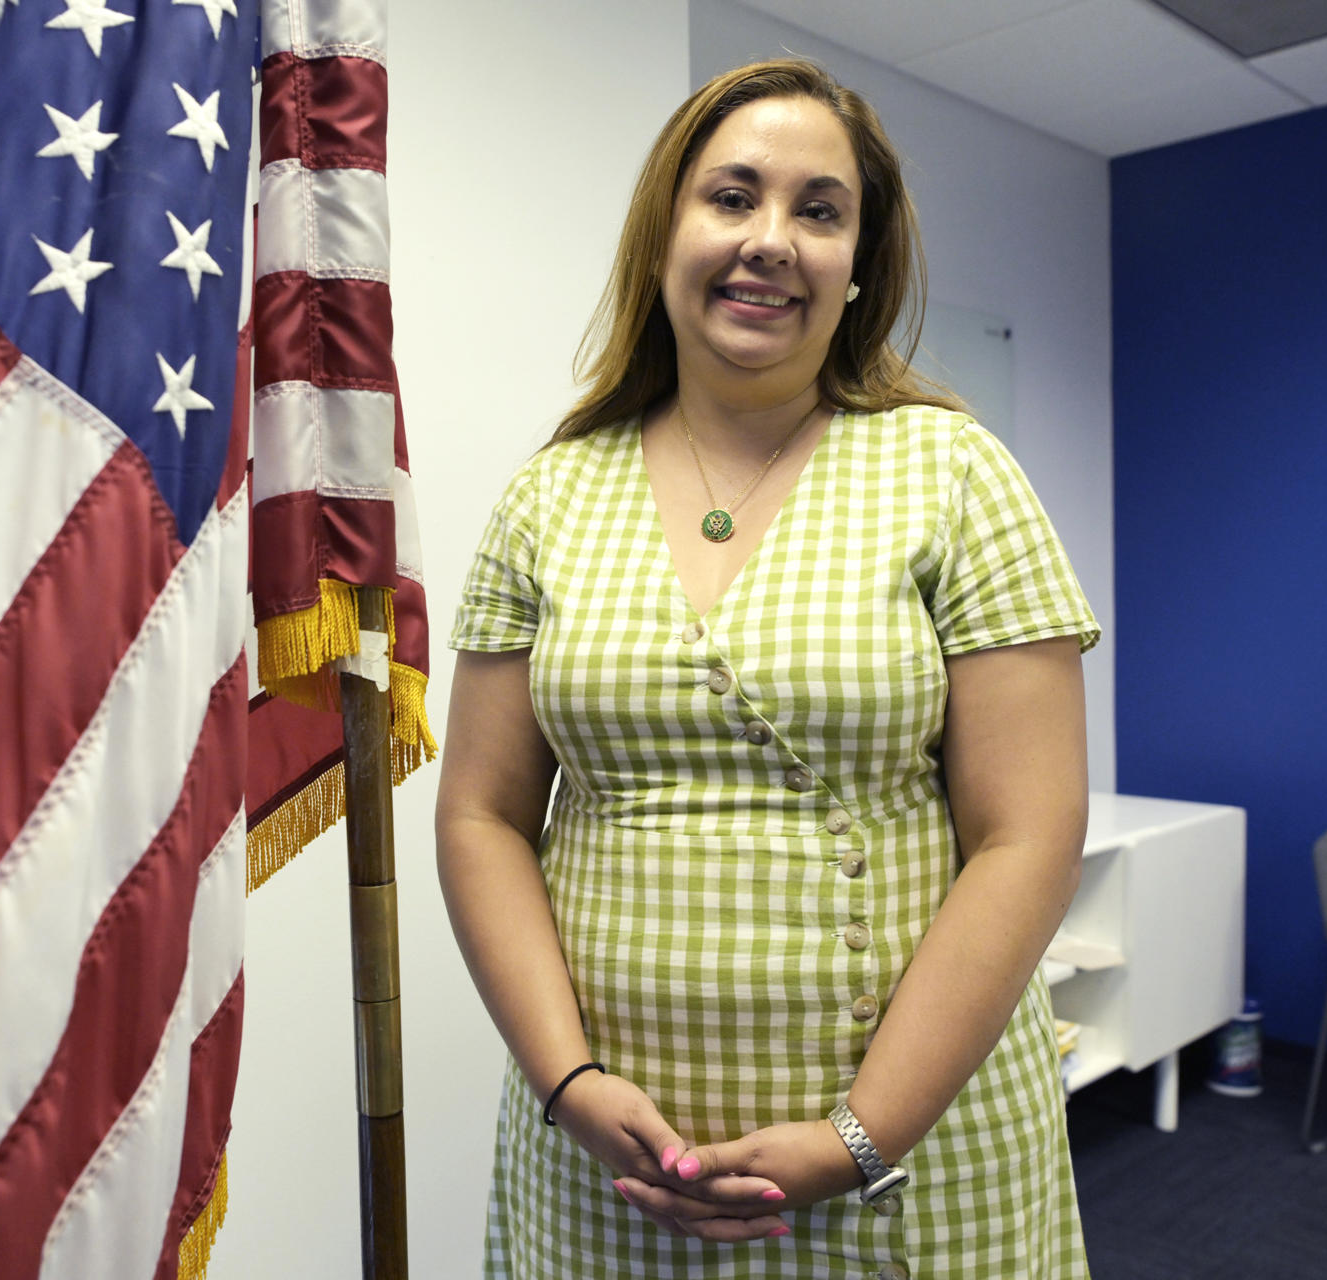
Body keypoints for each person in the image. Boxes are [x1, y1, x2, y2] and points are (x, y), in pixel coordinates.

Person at [435, 56, 1099, 1278]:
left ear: (860, 266)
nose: (771, 240)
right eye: (732, 197)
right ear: (665, 233)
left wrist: (862, 1134)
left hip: (913, 1163)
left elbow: (1034, 829)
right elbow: (480, 811)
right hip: (608, 1169)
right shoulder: (550, 493)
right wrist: (567, 1079)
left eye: (820, 210)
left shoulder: (954, 473)